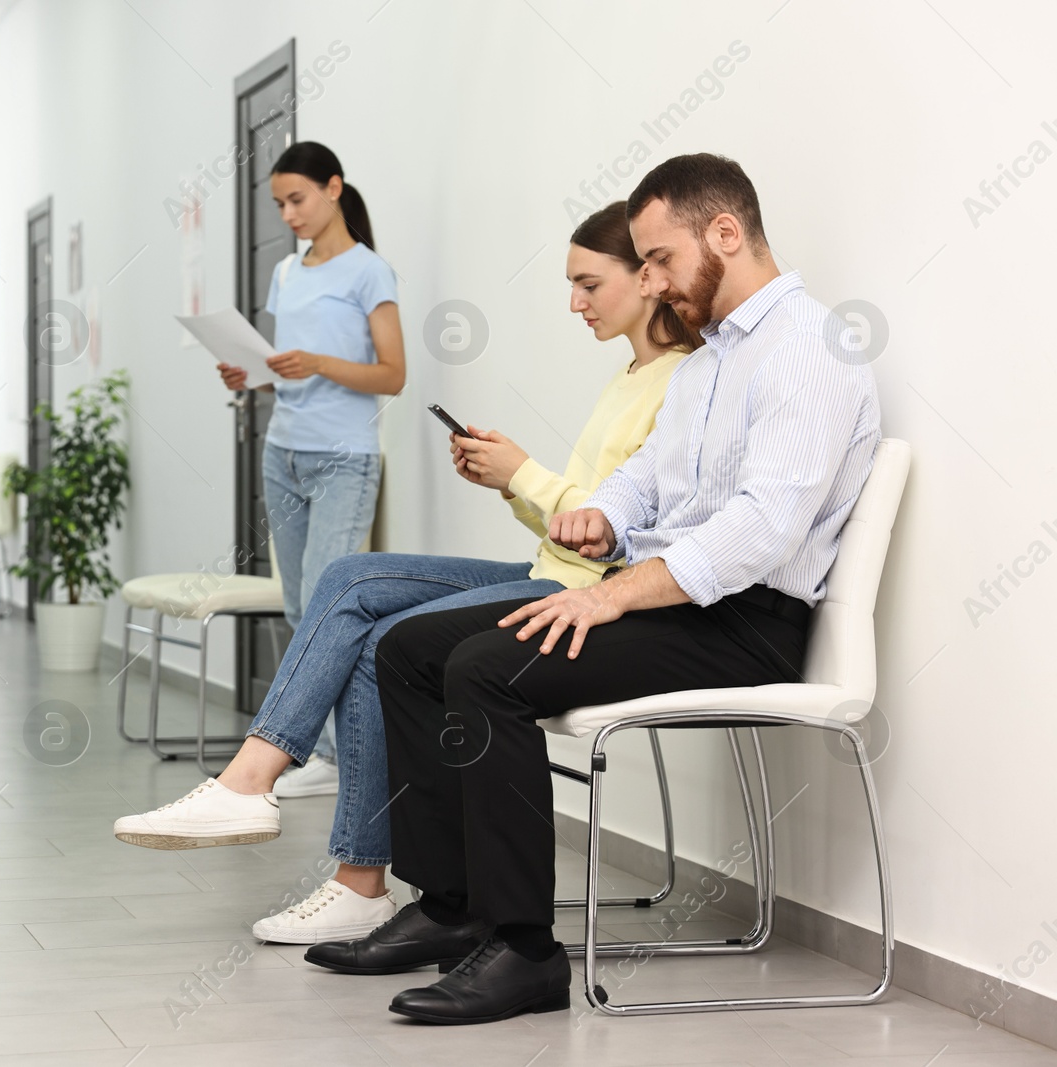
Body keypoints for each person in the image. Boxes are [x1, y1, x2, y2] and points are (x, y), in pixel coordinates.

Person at [335, 153, 881, 1025]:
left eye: (660, 259)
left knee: (484, 668)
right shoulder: (707, 364)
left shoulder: (808, 349)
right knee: (409, 648)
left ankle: (523, 950)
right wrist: (604, 520)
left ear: (726, 234)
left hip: (746, 621)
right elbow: (649, 483)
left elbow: (761, 531)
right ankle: (453, 903)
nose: (654, 283)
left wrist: (613, 594)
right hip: (673, 597)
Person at [113, 202, 704, 946]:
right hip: (553, 569)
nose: (574, 302)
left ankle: (329, 854)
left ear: (648, 280)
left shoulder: (684, 383)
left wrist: (526, 473)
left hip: (590, 598)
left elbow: (627, 544)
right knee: (354, 577)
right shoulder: (630, 375)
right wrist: (509, 484)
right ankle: (269, 798)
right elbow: (579, 527)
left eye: (589, 283)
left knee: (382, 629)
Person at [215, 141, 405, 797]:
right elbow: (284, 372)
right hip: (283, 452)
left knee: (331, 609)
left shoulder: (369, 272)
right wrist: (255, 376)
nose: (288, 214)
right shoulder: (287, 273)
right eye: (279, 204)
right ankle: (315, 752)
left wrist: (318, 361)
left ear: (334, 187)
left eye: (297, 199)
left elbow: (393, 374)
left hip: (343, 459)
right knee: (300, 607)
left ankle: (331, 757)